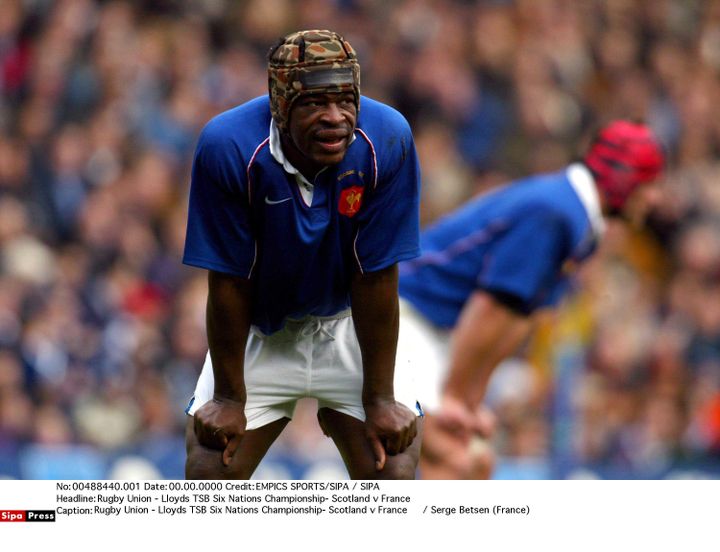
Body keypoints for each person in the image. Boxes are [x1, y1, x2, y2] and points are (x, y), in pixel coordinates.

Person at [182, 29, 423, 480]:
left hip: (350, 322)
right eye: (314, 104)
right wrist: (231, 400)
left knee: (393, 468)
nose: (336, 118)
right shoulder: (228, 146)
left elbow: (376, 275)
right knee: (210, 467)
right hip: (260, 328)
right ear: (279, 103)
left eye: (346, 100)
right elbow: (229, 279)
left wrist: (378, 398)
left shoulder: (388, 139)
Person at [397, 120, 666, 479]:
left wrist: (472, 402)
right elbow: (491, 307)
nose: (654, 198)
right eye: (649, 184)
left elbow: (518, 318)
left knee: (478, 461)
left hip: (431, 328)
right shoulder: (558, 211)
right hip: (401, 315)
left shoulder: (577, 219)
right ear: (623, 177)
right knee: (453, 458)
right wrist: (456, 399)